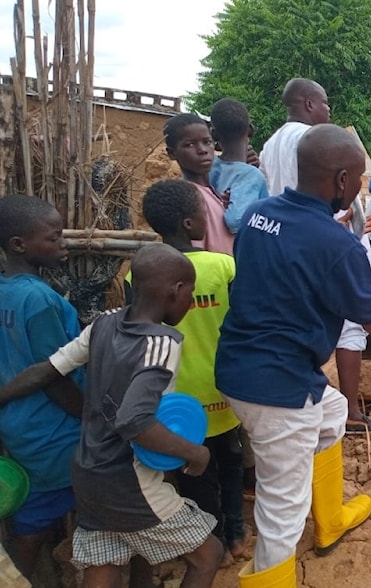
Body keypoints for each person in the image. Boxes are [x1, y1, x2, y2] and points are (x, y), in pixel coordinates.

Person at [215, 124, 371, 587]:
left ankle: (329, 519)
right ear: (342, 181)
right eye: (361, 178)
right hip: (278, 390)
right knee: (280, 514)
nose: (364, 186)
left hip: (237, 367)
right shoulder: (336, 244)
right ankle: (274, 575)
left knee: (334, 412)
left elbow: (288, 257)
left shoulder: (261, 214)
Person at [0, 244, 223, 587]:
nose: (190, 303)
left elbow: (47, 370)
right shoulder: (162, 344)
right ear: (175, 291)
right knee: (208, 555)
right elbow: (134, 420)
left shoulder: (102, 325)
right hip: (127, 480)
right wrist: (195, 452)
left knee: (103, 568)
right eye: (189, 294)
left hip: (88, 473)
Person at [128, 179, 247, 566]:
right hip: (223, 385)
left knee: (194, 471)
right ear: (193, 224)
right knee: (231, 459)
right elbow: (243, 318)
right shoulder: (222, 265)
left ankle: (210, 537)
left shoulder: (140, 277)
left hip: (174, 398)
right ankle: (236, 533)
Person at [260, 77, 371, 435]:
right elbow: (334, 199)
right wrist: (349, 224)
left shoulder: (270, 144)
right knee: (353, 326)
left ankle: (315, 401)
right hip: (328, 234)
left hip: (287, 239)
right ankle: (348, 411)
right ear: (310, 103)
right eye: (326, 103)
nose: (329, 110)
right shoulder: (316, 142)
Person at [0, 195, 84, 579]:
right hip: (56, 431)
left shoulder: (7, 293)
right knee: (51, 514)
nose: (63, 242)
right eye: (54, 237)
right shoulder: (38, 299)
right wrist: (92, 416)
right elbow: (54, 376)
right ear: (19, 244)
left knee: (33, 514)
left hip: (20, 426)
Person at [165, 113, 234, 255]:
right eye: (190, 144)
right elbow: (194, 255)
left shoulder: (213, 192)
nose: (202, 150)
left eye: (207, 142)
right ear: (172, 153)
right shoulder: (187, 199)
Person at [209, 98, 270, 233]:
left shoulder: (207, 166)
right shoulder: (251, 175)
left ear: (213, 134)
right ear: (250, 130)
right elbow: (236, 221)